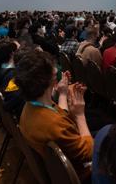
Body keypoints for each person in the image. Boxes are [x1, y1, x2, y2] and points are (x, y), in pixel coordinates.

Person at [16, 51, 93, 180]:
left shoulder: (30, 106)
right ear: (50, 80)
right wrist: (80, 115)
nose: (57, 71)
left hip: (56, 172)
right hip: (82, 174)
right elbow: (89, 151)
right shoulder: (53, 124)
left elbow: (57, 116)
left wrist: (63, 93)